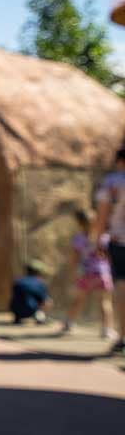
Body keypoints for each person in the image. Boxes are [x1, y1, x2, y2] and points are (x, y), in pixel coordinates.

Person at [60, 209, 114, 339]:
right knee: (104, 302)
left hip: (86, 273)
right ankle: (106, 329)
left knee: (78, 300)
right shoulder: (104, 238)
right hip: (101, 273)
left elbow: (75, 258)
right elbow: (109, 257)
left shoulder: (79, 238)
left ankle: (68, 322)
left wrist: (73, 273)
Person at [94, 147, 125, 354]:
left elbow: (103, 215)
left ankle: (123, 335)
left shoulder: (113, 182)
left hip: (119, 240)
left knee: (122, 287)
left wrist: (98, 240)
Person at [10, 260, 52, 324]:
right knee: (47, 301)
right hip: (30, 310)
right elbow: (44, 300)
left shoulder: (18, 281)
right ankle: (40, 317)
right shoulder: (39, 283)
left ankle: (18, 318)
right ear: (38, 272)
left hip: (15, 310)